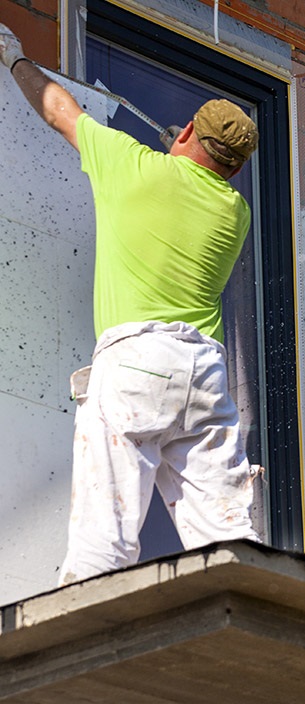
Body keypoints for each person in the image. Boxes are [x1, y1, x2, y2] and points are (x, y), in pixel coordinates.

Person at [1, 24, 262, 585]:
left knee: (107, 533)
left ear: (188, 130)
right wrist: (179, 153)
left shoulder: (132, 166)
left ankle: (77, 643)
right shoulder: (235, 213)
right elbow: (196, 182)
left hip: (138, 363)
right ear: (236, 167)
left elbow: (58, 109)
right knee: (228, 534)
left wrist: (15, 58)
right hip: (206, 376)